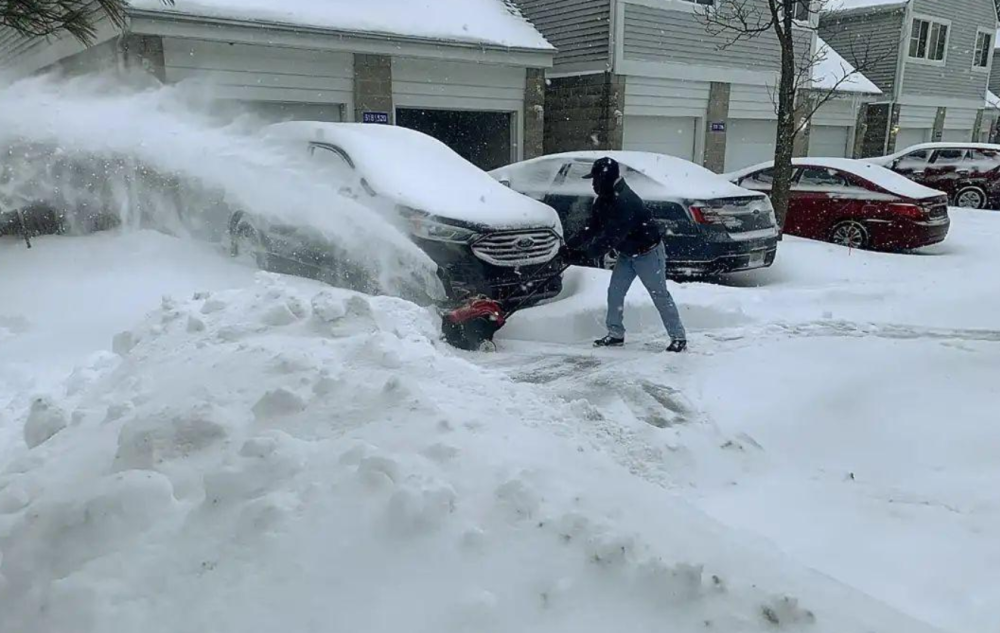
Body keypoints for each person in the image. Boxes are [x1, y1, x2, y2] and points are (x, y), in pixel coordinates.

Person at [565, 157, 687, 353]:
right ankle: (615, 334)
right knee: (615, 292)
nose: (593, 184)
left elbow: (610, 237)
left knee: (659, 295)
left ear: (606, 179)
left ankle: (678, 337)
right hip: (627, 253)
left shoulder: (626, 201)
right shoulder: (604, 198)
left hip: (648, 254)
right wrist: (570, 246)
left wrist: (583, 255)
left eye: (596, 179)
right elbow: (593, 227)